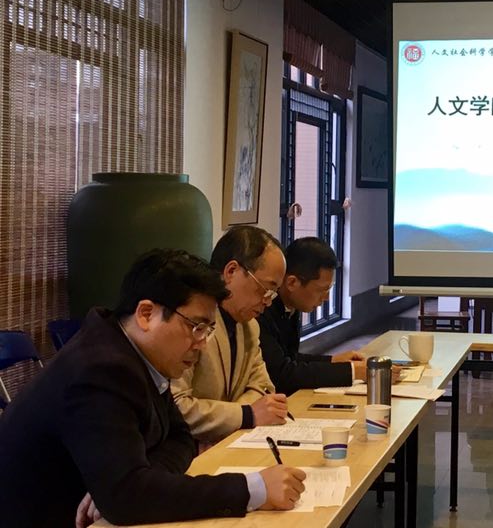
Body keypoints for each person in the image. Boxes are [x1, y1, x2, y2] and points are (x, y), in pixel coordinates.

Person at [0, 249, 305, 528]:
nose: (202, 344)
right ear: (146, 314)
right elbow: (127, 499)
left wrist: (136, 479)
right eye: (196, 327)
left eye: (208, 330)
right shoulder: (101, 369)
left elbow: (181, 438)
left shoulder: (137, 353)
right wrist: (253, 489)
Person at [173, 226, 289, 446]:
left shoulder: (250, 326)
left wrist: (243, 413)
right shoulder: (192, 324)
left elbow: (264, 387)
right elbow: (177, 406)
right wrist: (246, 414)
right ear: (231, 271)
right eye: (265, 289)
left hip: (229, 443)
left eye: (273, 294)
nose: (267, 301)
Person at [257, 237, 367, 395]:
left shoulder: (291, 304)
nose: (326, 298)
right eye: (322, 290)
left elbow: (290, 357)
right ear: (292, 283)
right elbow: (281, 374)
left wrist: (333, 361)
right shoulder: (261, 310)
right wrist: (352, 371)